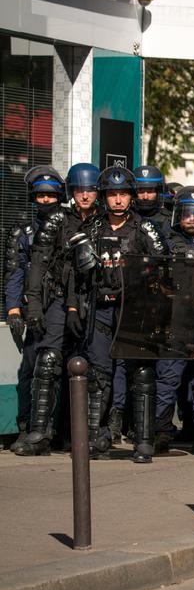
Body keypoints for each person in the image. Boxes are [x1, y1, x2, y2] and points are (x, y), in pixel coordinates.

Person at [69, 167, 166, 462]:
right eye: (112, 194)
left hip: (135, 310)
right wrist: (74, 307)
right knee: (98, 375)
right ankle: (98, 436)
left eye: (123, 194)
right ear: (104, 197)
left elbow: (164, 271)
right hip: (100, 308)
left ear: (131, 196)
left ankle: (144, 441)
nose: (118, 200)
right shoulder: (92, 230)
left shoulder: (145, 230)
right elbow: (74, 275)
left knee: (141, 374)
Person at [17, 163, 102, 456]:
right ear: (71, 192)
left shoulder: (105, 222)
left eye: (90, 189)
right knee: (48, 359)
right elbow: (37, 266)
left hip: (95, 302)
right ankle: (39, 432)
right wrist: (34, 307)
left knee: (94, 366)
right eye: (79, 190)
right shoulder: (57, 221)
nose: (85, 195)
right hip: (56, 300)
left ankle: (91, 434)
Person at [5, 166, 65, 453]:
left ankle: (58, 429)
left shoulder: (69, 227)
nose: (45, 201)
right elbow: (14, 273)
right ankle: (27, 427)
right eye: (40, 196)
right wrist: (13, 310)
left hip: (63, 307)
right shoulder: (24, 233)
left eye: (51, 195)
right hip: (33, 310)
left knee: (60, 370)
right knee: (29, 371)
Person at [154, 188, 194, 455]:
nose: (192, 219)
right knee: (168, 378)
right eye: (187, 214)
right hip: (174, 319)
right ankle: (160, 431)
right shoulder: (165, 241)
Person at [132, 165, 170, 231]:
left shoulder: (169, 221)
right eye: (141, 191)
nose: (145, 197)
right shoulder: (124, 219)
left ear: (158, 192)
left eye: (150, 191)